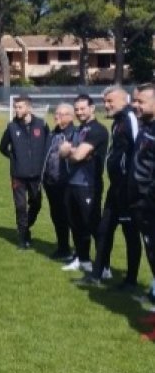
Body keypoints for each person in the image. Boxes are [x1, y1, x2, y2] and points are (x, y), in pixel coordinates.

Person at [78, 86, 141, 289]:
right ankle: (97, 274)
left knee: (131, 234)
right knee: (104, 229)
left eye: (110, 101)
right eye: (105, 101)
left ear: (124, 100)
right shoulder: (117, 122)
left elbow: (138, 149)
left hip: (129, 190)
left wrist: (134, 182)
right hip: (115, 189)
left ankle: (131, 280)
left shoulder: (131, 118)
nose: (106, 105)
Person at [58, 94, 109, 273]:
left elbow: (76, 155)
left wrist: (70, 151)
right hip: (73, 183)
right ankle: (83, 259)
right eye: (77, 109)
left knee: (93, 226)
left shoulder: (98, 130)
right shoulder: (80, 130)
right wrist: (73, 151)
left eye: (82, 108)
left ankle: (104, 266)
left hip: (89, 185)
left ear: (92, 108)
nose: (79, 112)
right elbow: (68, 153)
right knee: (76, 225)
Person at [0, 95, 49, 249]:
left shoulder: (41, 125)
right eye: (16, 107)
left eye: (20, 107)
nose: (17, 110)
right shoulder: (12, 127)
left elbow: (48, 146)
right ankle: (23, 238)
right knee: (20, 206)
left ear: (29, 108)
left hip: (36, 175)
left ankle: (26, 227)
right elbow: (2, 147)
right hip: (18, 175)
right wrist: (14, 159)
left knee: (36, 203)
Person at [128, 84, 155, 337]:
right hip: (143, 206)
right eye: (135, 101)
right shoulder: (145, 126)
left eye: (142, 101)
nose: (136, 105)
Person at [41, 103, 76, 261]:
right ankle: (63, 248)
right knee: (57, 216)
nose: (56, 117)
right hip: (51, 183)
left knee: (71, 217)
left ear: (70, 116)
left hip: (68, 183)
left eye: (61, 114)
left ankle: (80, 252)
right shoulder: (51, 133)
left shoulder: (75, 134)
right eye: (56, 113)